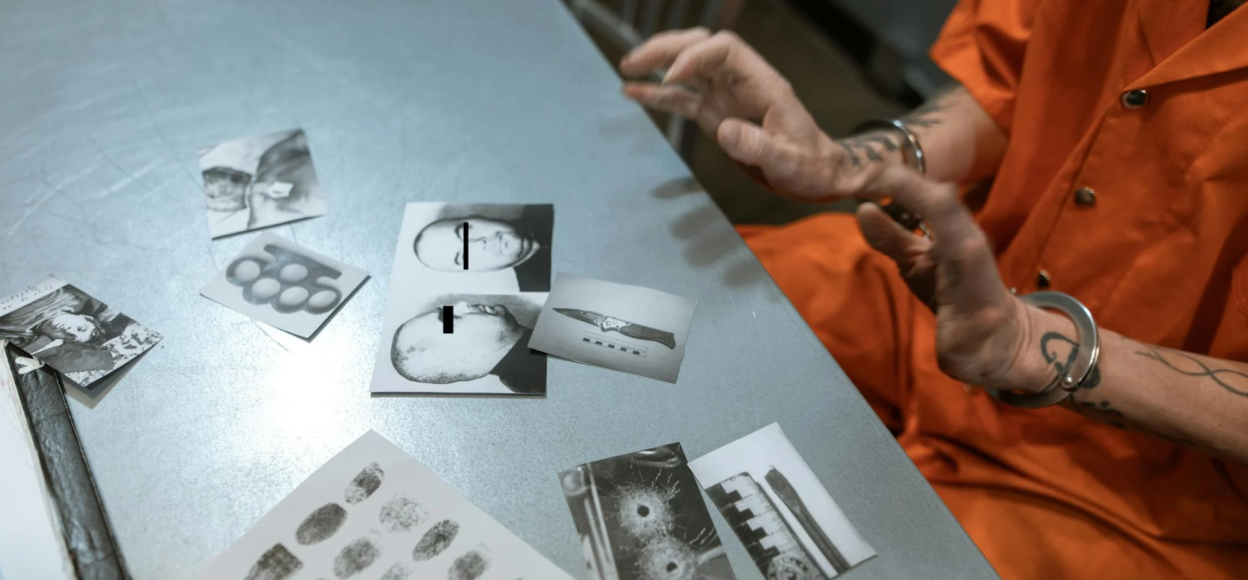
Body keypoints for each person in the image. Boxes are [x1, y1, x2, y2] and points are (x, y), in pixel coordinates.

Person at [620, 2, 1248, 578]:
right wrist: (849, 163)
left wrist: (1033, 346)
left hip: (1144, 493)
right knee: (639, 310)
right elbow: (1016, 82)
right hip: (945, 288)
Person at [390, 301, 546, 394]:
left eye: (449, 310)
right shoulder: (542, 379)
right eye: (450, 319)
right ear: (464, 358)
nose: (462, 304)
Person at [413, 205, 554, 292]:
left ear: (477, 217)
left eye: (465, 231)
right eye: (465, 257)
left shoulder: (549, 204)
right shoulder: (544, 290)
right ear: (475, 272)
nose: (480, 243)